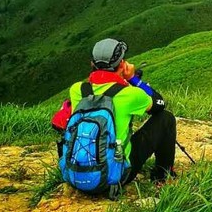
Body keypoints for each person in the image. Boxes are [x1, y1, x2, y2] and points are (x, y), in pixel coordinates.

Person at [54, 38, 177, 186]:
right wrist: (133, 79)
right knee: (166, 118)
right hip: (117, 176)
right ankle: (162, 175)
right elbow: (159, 104)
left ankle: (80, 169)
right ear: (122, 64)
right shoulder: (130, 94)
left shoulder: (77, 89)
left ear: (92, 64)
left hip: (74, 173)